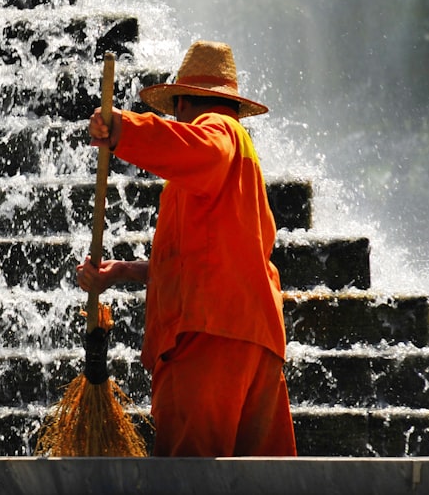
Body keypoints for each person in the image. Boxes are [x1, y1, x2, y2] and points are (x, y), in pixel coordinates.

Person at [77, 39, 297, 457]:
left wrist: (124, 128)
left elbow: (202, 148)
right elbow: (204, 259)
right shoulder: (240, 165)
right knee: (263, 481)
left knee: (189, 477)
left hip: (207, 339)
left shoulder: (218, 132)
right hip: (255, 340)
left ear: (182, 104)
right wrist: (122, 271)